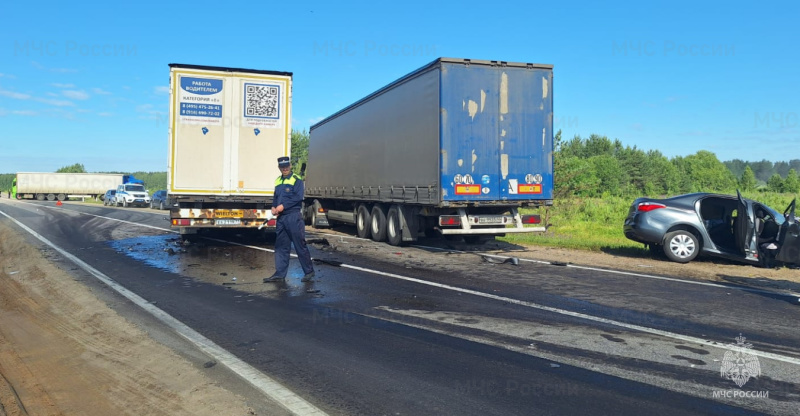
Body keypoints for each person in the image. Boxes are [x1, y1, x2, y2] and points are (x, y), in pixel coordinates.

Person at [264, 156, 315, 283]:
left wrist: (283, 206)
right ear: (279, 168)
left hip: (293, 216)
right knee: (281, 246)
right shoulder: (278, 181)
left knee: (299, 244)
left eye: (286, 166)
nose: (285, 168)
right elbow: (276, 196)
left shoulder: (296, 180)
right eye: (282, 167)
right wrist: (274, 207)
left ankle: (309, 271)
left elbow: (298, 197)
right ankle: (280, 274)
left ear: (290, 166)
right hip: (281, 218)